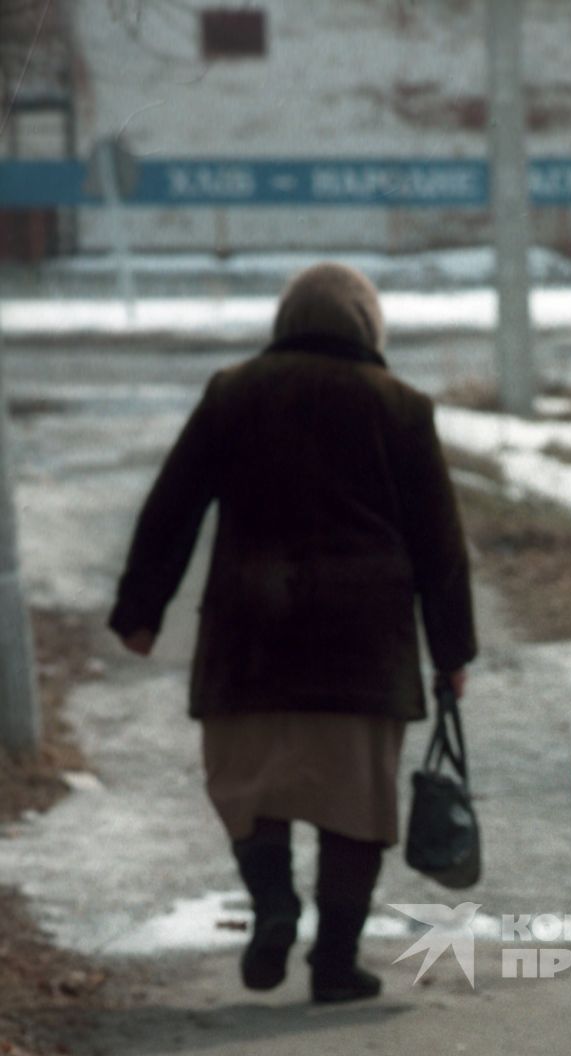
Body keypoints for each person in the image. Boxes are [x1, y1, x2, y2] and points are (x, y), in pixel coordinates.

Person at [109, 261, 476, 1003]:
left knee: (252, 784)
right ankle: (335, 963)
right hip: (363, 647)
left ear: (285, 321)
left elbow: (171, 504)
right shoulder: (400, 406)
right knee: (355, 803)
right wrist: (452, 651)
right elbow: (441, 541)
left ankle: (273, 902)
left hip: (250, 636)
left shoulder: (233, 392)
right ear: (369, 327)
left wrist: (140, 610)